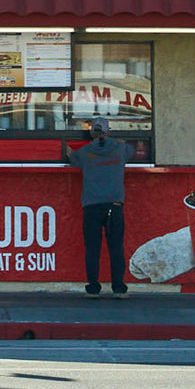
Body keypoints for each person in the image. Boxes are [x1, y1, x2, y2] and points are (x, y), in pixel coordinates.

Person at [67, 117, 132, 296]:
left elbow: (71, 157)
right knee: (116, 247)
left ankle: (94, 287)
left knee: (93, 247)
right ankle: (118, 288)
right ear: (108, 131)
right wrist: (120, 142)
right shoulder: (120, 149)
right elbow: (132, 150)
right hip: (115, 205)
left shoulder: (85, 152)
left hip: (91, 205)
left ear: (91, 132)